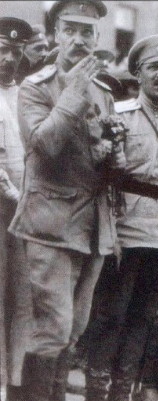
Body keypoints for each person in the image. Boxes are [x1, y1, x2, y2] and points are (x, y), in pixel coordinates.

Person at [8, 1, 126, 400]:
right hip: (50, 221)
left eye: (87, 32)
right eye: (70, 29)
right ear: (56, 34)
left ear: (97, 38)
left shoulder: (104, 90)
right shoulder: (35, 86)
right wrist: (73, 93)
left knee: (75, 327)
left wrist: (115, 158)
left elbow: (102, 157)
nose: (79, 39)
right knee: (52, 327)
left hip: (93, 225)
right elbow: (44, 147)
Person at [85, 34, 158, 401]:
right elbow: (102, 178)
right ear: (138, 73)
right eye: (155, 68)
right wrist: (109, 231)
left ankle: (123, 390)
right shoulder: (120, 117)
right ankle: (97, 390)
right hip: (123, 231)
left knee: (143, 320)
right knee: (110, 316)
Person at [0, 16, 33, 401]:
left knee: (21, 300)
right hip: (5, 206)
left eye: (15, 51)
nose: (8, 59)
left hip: (23, 213)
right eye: (2, 50)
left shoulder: (26, 96)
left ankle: (14, 385)